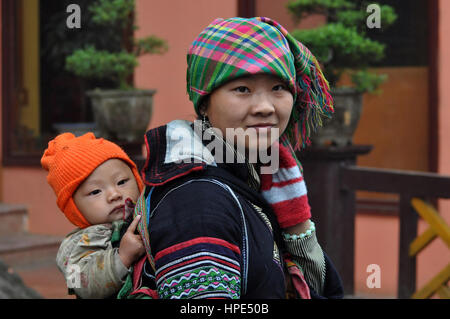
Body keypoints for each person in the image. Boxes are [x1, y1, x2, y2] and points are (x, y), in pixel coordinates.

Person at [134, 16, 344, 299]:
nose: (265, 107)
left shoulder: (261, 174)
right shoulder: (197, 200)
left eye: (278, 87)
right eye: (242, 89)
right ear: (205, 102)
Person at [41, 132, 145, 298]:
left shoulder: (146, 215)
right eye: (96, 191)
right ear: (74, 208)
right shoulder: (75, 246)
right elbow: (78, 285)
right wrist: (121, 257)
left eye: (122, 182)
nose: (114, 194)